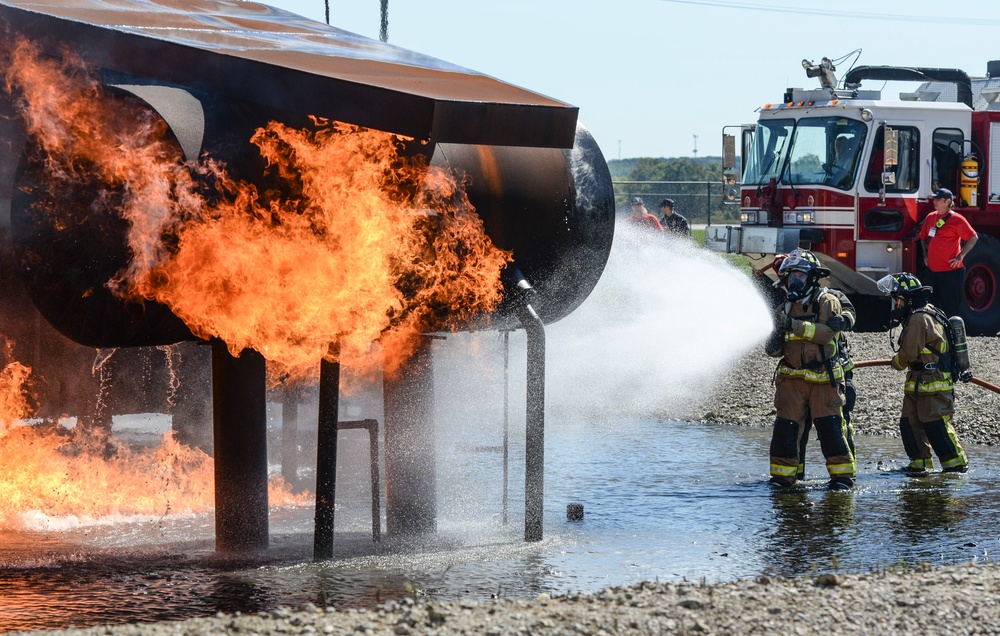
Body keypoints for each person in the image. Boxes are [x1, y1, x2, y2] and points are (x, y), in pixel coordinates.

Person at [764, 248, 856, 490]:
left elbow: (826, 334)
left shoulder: (827, 302)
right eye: (791, 276)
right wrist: (773, 336)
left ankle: (842, 479)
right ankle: (783, 479)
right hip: (791, 380)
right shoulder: (785, 306)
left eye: (799, 276)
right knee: (786, 431)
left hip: (824, 380)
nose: (794, 281)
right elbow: (774, 350)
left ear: (812, 278)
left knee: (830, 430)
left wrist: (793, 325)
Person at [877, 272, 969, 473]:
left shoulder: (919, 318)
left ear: (909, 300)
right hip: (918, 382)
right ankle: (920, 464)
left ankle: (956, 466)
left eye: (899, 301)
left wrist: (896, 362)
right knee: (909, 424)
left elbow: (907, 354)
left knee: (935, 426)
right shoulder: (921, 314)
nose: (896, 306)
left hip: (933, 383)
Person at [919, 188, 978, 318]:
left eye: (938, 199)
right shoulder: (930, 217)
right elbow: (923, 238)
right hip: (932, 272)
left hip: (951, 272)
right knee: (931, 308)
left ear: (947, 201)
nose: (934, 201)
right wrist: (925, 254)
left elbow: (973, 237)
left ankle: (952, 337)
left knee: (951, 310)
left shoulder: (957, 220)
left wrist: (960, 256)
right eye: (934, 199)